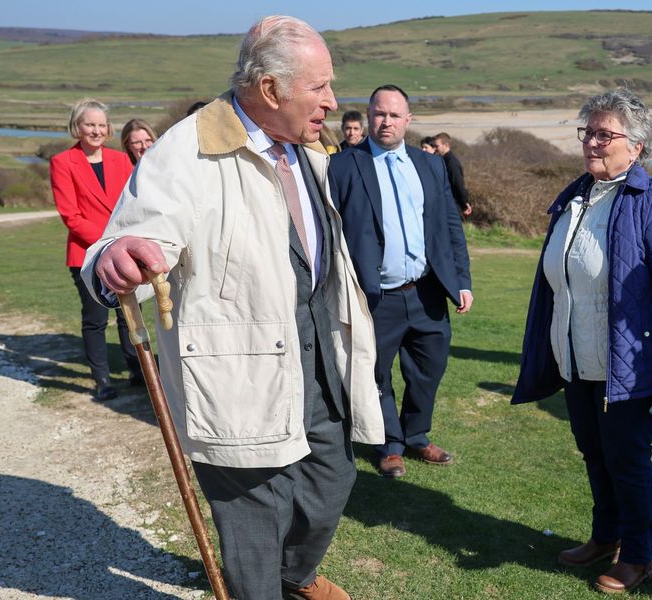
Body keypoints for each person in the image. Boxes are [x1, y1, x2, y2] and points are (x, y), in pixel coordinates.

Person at [82, 16, 384, 599]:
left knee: (332, 475)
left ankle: (294, 577)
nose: (332, 100)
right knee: (253, 507)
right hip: (235, 365)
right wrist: (118, 256)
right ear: (271, 90)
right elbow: (133, 235)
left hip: (319, 349)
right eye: (318, 86)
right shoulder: (187, 150)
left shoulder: (308, 148)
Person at [512, 89, 652, 594]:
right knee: (594, 453)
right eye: (588, 132)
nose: (592, 143)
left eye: (605, 134)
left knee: (627, 458)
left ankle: (638, 555)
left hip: (632, 365)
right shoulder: (576, 196)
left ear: (636, 146)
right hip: (576, 359)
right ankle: (605, 538)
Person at [328, 84, 473, 479]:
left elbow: (448, 227)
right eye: (379, 113)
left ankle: (416, 434)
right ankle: (390, 444)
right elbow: (332, 233)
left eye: (394, 115)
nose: (386, 121)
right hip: (376, 296)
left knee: (430, 367)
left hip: (427, 291)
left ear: (408, 120)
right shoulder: (342, 166)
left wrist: (462, 279)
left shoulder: (430, 165)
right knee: (377, 373)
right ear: (368, 116)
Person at [51, 98, 143, 401]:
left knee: (129, 312)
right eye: (90, 124)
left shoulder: (120, 160)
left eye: (101, 125)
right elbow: (70, 216)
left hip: (122, 251)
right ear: (77, 127)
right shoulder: (62, 162)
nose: (96, 130)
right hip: (86, 254)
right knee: (96, 318)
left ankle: (136, 370)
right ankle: (101, 378)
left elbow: (132, 202)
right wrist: (109, 242)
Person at [433, 132, 473, 218]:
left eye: (437, 146)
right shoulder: (443, 161)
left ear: (446, 145)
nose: (435, 149)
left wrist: (464, 204)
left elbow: (457, 185)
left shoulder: (451, 163)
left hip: (453, 206)